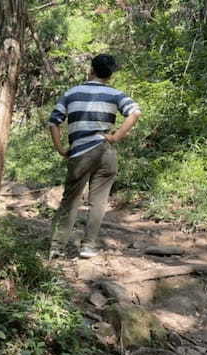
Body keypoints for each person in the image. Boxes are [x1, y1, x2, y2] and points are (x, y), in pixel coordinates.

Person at [48, 54, 141, 259]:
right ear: (110, 75)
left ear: (91, 70)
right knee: (98, 201)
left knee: (70, 200)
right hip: (105, 151)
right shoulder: (116, 94)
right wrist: (115, 137)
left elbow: (54, 121)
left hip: (80, 152)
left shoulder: (72, 93)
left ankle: (57, 247)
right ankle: (88, 246)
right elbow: (135, 112)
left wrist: (60, 148)